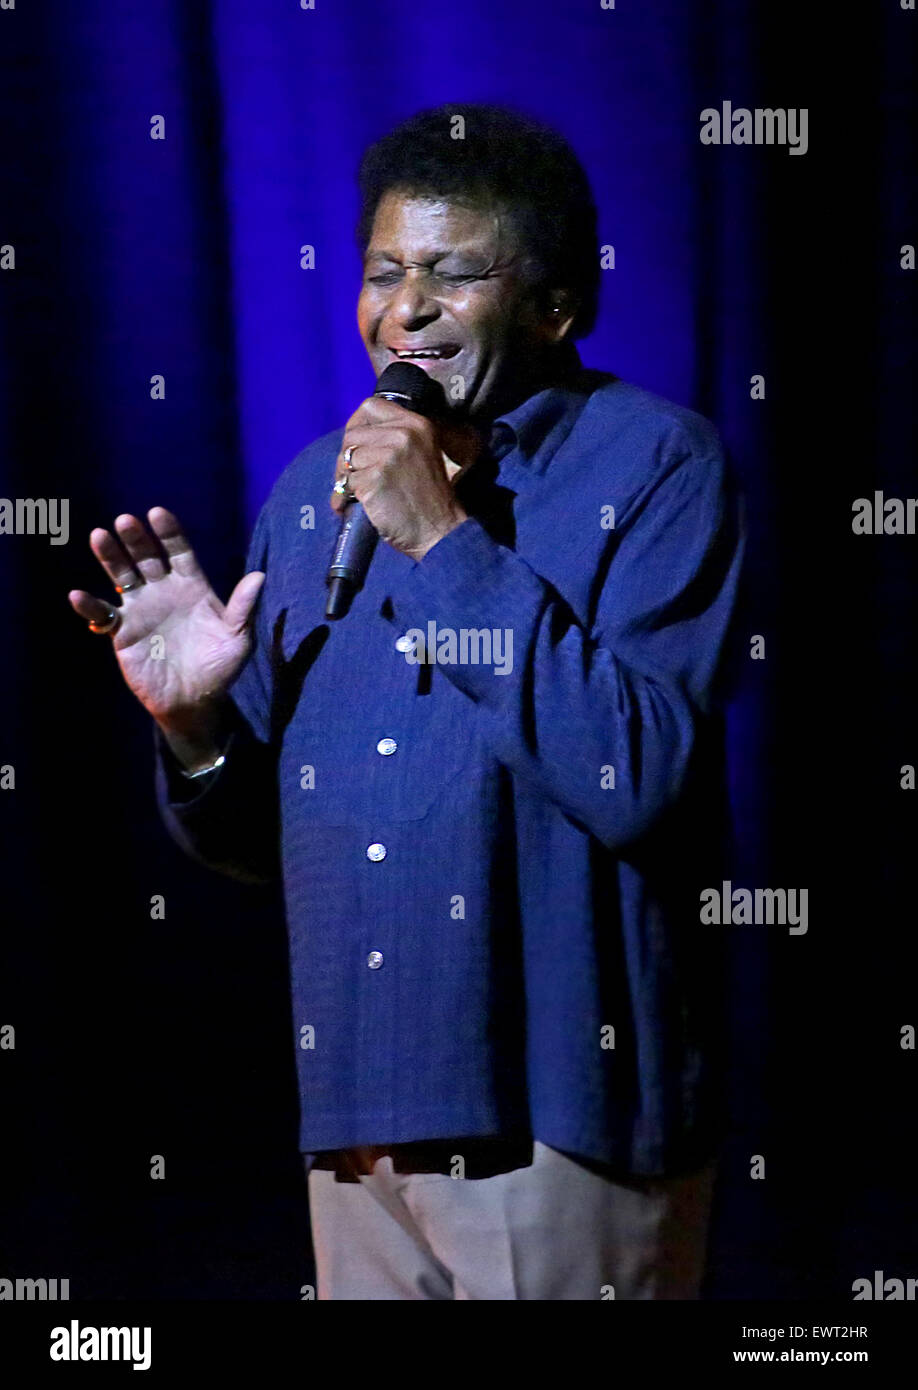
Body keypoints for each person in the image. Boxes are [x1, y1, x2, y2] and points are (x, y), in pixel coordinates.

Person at [68, 103, 745, 1300]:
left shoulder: (654, 464)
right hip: (358, 1123)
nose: (407, 307)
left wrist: (441, 541)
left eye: (452, 272)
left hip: (557, 1122)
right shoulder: (314, 488)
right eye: (385, 271)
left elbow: (645, 776)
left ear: (555, 306)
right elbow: (258, 838)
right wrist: (193, 727)